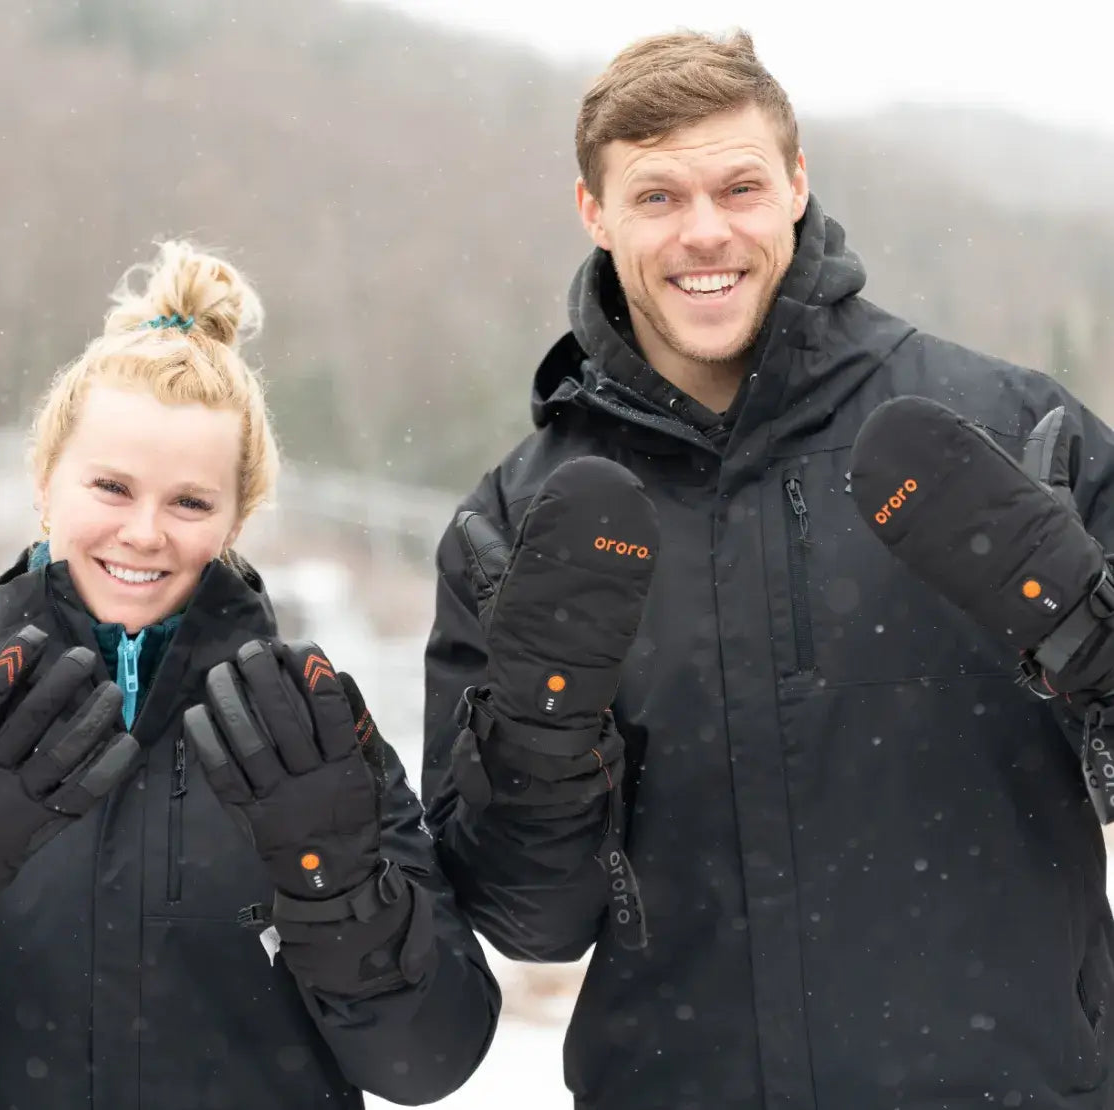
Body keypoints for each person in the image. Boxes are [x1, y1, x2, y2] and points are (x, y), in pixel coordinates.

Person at [421, 28, 1114, 1109]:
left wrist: (1098, 657)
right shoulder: (516, 527)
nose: (705, 232)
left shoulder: (1014, 437)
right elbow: (526, 920)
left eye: (738, 185)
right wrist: (540, 756)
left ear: (795, 184)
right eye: (656, 197)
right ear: (594, 213)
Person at [0, 239, 500, 1109]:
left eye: (189, 501)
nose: (145, 532)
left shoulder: (311, 730)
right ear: (45, 483)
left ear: (234, 520)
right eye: (111, 486)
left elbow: (431, 1060)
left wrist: (334, 884)